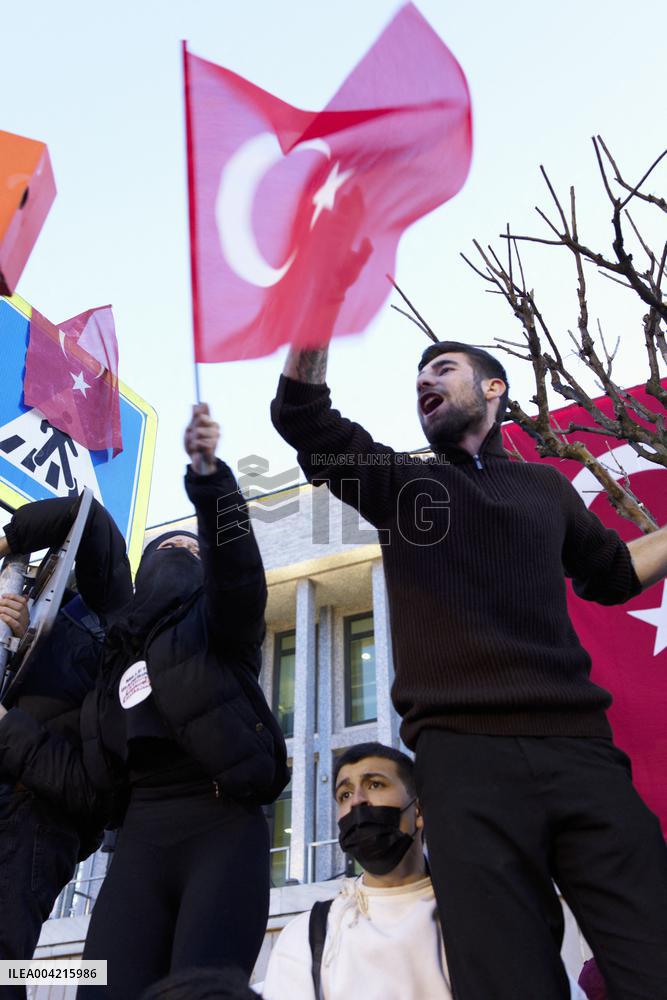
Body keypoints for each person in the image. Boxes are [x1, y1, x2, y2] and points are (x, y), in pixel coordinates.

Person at [270, 337, 667, 1000]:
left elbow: (613, 574)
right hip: (462, 764)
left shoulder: (544, 489)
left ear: (492, 389)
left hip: (581, 755)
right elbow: (303, 418)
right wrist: (317, 313)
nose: (423, 380)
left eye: (443, 369)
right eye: (417, 374)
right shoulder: (401, 485)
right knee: (506, 979)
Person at [0, 404, 289, 1000]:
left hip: (220, 826)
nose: (176, 554)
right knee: (93, 981)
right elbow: (91, 521)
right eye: (165, 546)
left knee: (199, 988)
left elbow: (238, 573)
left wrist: (212, 485)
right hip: (136, 841)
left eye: (190, 551)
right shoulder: (108, 654)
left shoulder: (223, 633)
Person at [262, 742, 586, 1000]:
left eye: (374, 784)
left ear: (418, 811)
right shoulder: (307, 936)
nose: (357, 801)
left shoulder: (486, 918)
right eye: (345, 794)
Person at [0, 495, 133, 998]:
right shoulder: (28, 596)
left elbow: (92, 793)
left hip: (31, 818)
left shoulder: (118, 625)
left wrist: (6, 726)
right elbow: (78, 512)